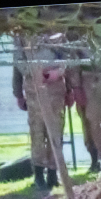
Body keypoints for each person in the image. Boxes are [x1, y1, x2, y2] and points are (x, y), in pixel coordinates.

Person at [13, 42, 66, 189]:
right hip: (34, 87)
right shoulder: (22, 34)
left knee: (56, 131)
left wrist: (58, 71)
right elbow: (17, 62)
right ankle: (38, 175)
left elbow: (67, 56)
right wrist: (18, 92)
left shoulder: (56, 31)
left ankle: (53, 173)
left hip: (56, 88)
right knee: (37, 132)